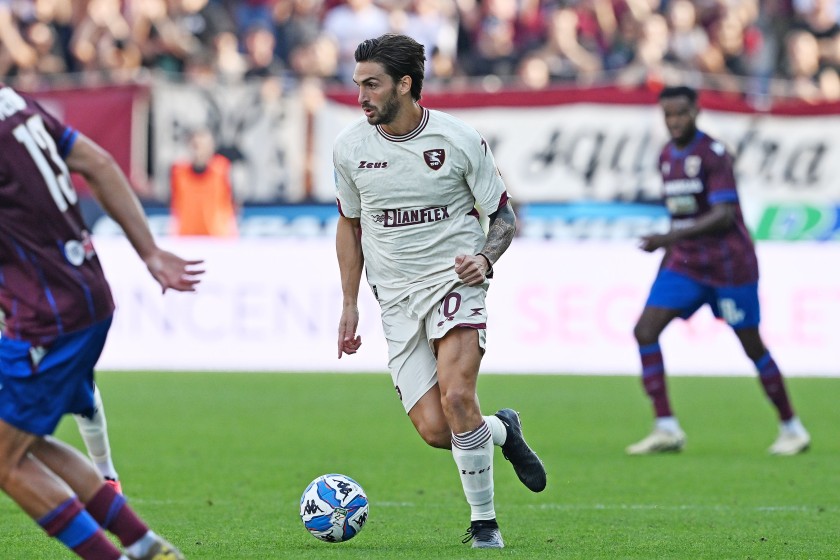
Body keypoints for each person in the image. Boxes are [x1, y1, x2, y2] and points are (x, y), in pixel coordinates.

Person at [333, 34, 547, 549]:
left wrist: (485, 258)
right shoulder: (349, 149)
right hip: (396, 299)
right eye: (358, 83)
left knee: (457, 396)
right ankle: (502, 429)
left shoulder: (458, 140)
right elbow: (349, 225)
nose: (361, 95)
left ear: (405, 85)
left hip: (455, 283)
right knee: (437, 429)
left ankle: (484, 524)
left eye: (372, 84)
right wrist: (348, 303)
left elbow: (503, 216)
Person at [0, 82, 203, 559]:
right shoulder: (12, 103)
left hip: (44, 315)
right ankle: (144, 543)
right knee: (21, 442)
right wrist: (149, 251)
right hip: (84, 295)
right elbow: (100, 163)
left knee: (6, 463)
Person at [627, 85, 811, 457]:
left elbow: (723, 214)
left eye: (681, 113)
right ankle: (666, 427)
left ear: (696, 111)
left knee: (751, 344)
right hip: (687, 264)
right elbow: (681, 214)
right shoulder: (666, 156)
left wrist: (669, 237)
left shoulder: (713, 155)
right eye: (668, 115)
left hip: (730, 267)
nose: (674, 121)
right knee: (645, 330)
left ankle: (792, 427)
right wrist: (669, 254)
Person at [169, 126, 238, 237]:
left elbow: (234, 202)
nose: (199, 149)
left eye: (203, 145)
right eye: (195, 145)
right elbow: (173, 203)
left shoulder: (222, 169)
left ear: (211, 147)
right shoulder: (178, 172)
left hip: (218, 238)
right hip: (187, 238)